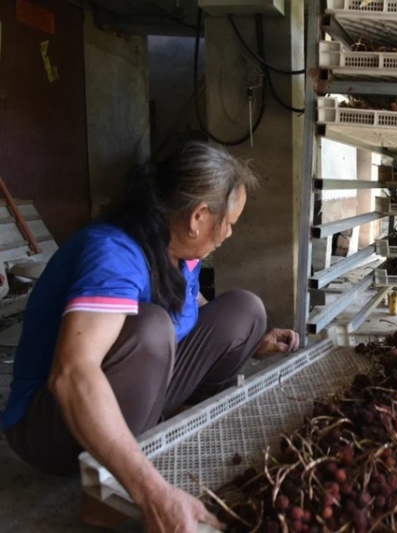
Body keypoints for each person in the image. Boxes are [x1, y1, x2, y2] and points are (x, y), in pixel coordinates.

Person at [1, 141, 300, 530]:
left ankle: (162, 436)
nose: (229, 233)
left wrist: (252, 343)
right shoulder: (114, 253)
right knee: (151, 329)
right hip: (50, 426)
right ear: (198, 216)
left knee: (245, 311)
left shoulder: (181, 250)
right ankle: (105, 492)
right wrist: (152, 493)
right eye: (229, 222)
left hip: (129, 395)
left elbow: (194, 311)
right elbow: (72, 374)